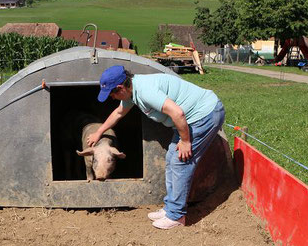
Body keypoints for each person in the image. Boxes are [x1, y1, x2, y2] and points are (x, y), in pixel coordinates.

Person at [87, 65, 225, 230]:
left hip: (203, 115)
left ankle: (177, 216)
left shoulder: (145, 91)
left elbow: (177, 113)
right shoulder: (132, 91)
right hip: (186, 121)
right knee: (171, 159)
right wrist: (99, 132)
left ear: (120, 88)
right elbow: (118, 113)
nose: (112, 98)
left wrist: (186, 141)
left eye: (112, 94)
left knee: (181, 162)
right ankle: (170, 208)